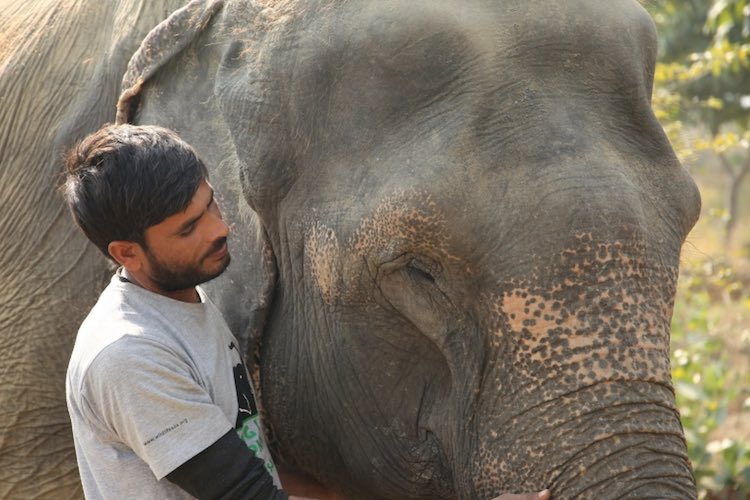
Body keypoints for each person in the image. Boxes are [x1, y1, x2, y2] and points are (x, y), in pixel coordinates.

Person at [62, 123, 550, 500]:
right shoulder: (129, 356)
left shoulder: (183, 296)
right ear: (127, 253)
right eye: (189, 228)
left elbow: (255, 463)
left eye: (211, 205)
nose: (220, 228)